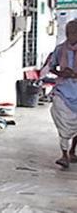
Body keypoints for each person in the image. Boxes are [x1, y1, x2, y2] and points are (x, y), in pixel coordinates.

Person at [49, 19, 77, 168]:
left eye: (73, 32)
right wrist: (62, 73)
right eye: (68, 32)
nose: (70, 35)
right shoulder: (60, 49)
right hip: (63, 92)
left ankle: (73, 150)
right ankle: (64, 154)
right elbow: (51, 67)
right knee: (63, 124)